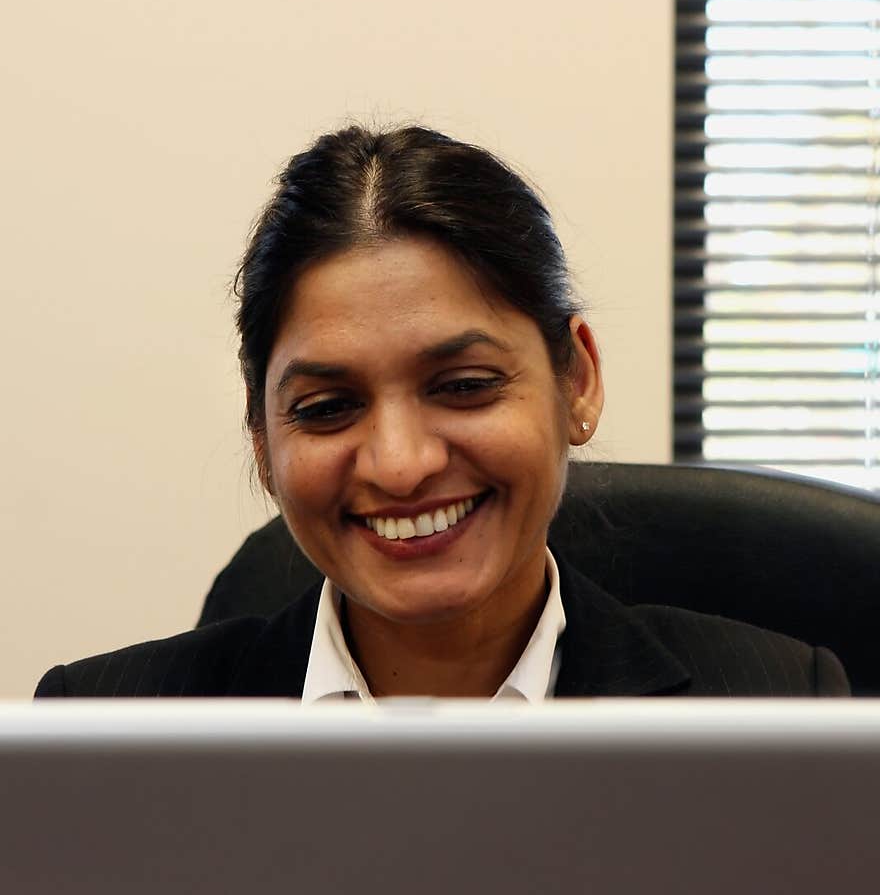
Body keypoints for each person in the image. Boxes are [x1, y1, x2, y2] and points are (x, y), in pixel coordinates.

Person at [36, 124, 849, 698]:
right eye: (327, 407)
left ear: (579, 382)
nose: (401, 463)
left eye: (463, 386)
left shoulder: (777, 703)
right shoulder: (109, 726)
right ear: (260, 439)